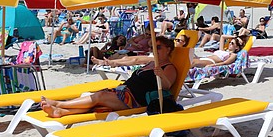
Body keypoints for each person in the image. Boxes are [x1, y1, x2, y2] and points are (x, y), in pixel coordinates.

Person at [41, 36, 177, 118]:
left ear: (168, 49)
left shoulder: (168, 67)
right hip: (123, 91)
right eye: (153, 47)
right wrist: (109, 62)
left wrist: (161, 76)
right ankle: (61, 112)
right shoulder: (151, 61)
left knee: (99, 97)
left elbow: (167, 86)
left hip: (134, 99)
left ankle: (59, 104)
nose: (155, 50)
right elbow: (133, 60)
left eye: (158, 47)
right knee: (98, 100)